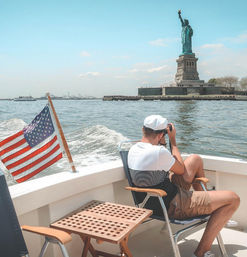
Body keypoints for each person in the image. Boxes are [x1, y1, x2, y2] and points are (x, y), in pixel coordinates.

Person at [128, 114, 240, 257]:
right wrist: (173, 141)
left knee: (195, 159)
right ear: (162, 134)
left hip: (152, 200)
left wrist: (162, 141)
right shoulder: (158, 152)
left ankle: (208, 204)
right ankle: (200, 252)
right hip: (173, 204)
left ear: (143, 129)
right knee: (233, 199)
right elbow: (180, 169)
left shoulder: (134, 149)